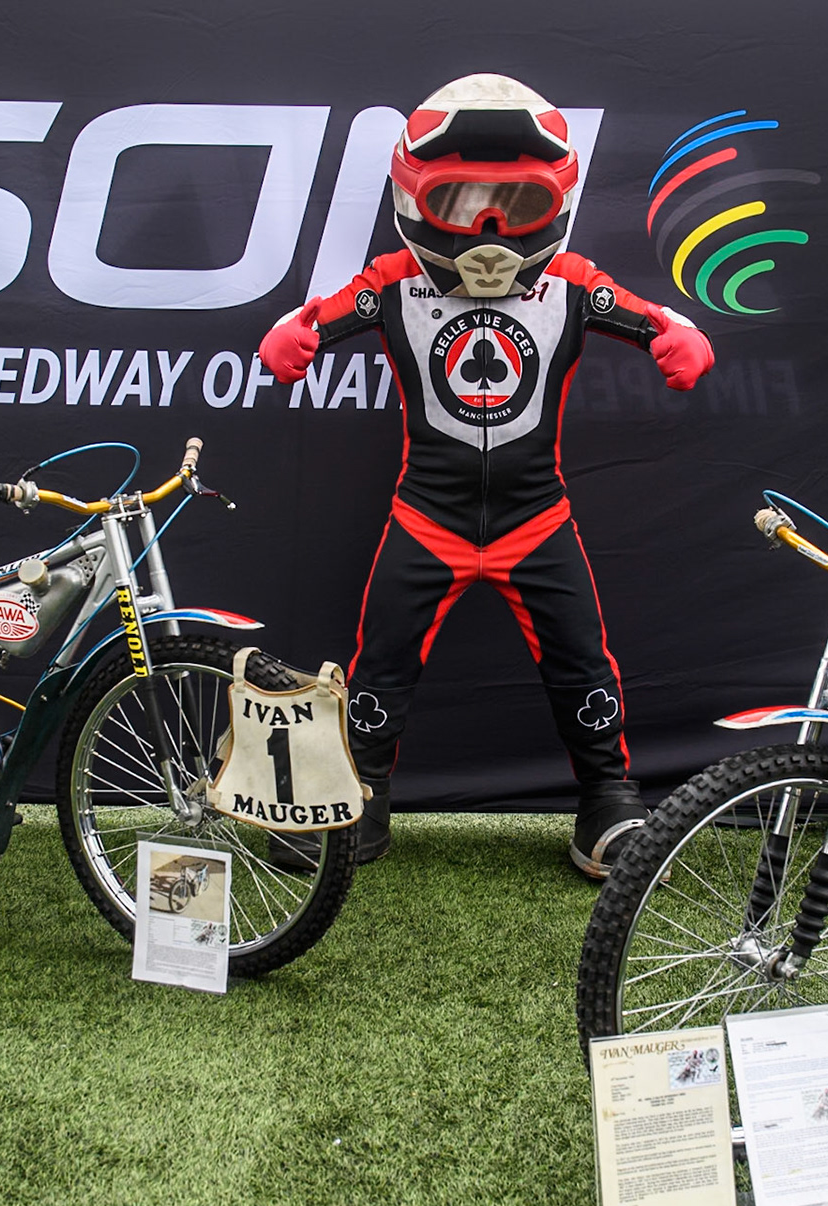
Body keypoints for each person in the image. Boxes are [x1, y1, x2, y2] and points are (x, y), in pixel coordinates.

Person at [257, 72, 714, 878]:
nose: (491, 229)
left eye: (517, 204)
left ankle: (608, 801)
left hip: (535, 518)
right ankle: (358, 799)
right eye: (463, 202)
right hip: (426, 516)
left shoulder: (572, 284)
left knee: (581, 661)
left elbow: (657, 322)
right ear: (417, 198)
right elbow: (309, 326)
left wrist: (674, 336)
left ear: (555, 203)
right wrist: (297, 334)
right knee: (382, 665)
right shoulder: (393, 283)